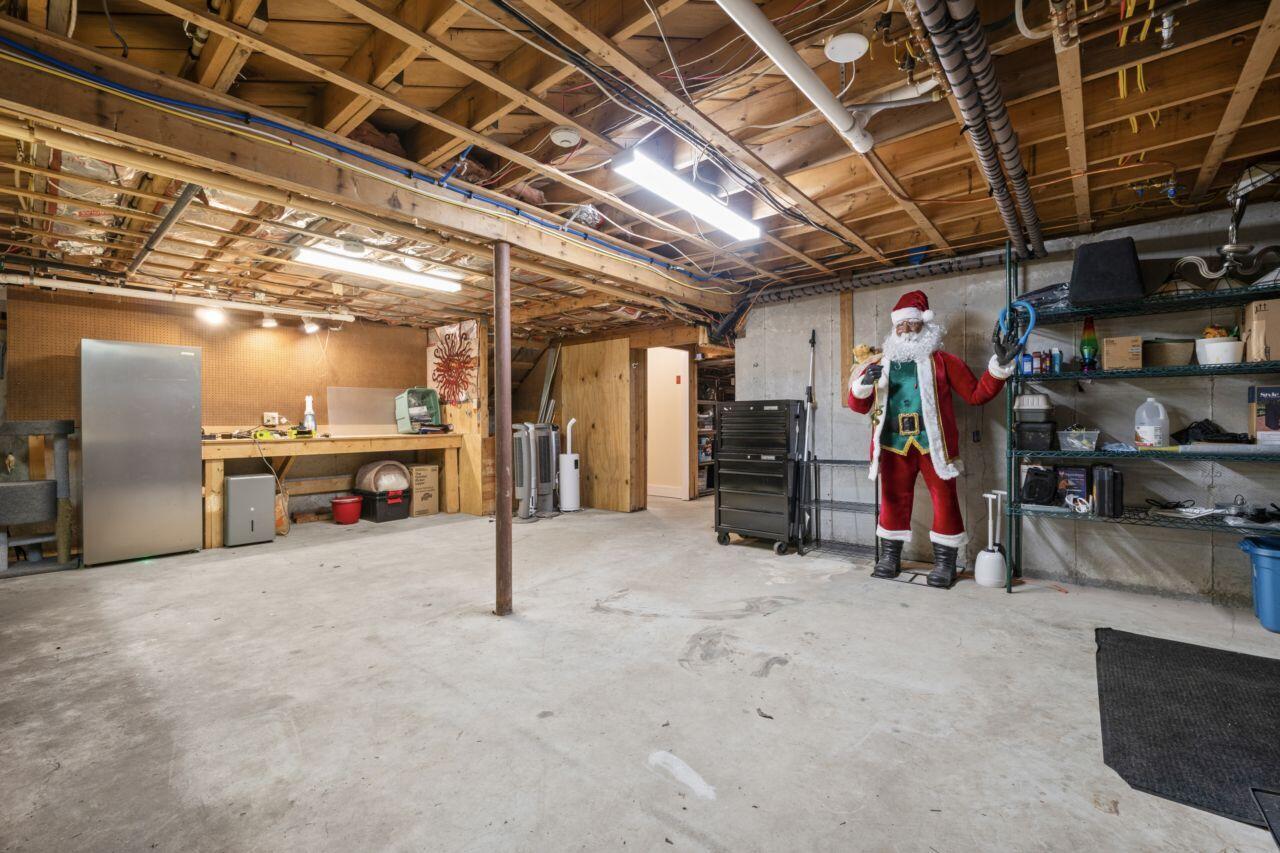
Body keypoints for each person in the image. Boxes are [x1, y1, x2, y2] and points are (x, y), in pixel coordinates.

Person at [847, 290, 1023, 588]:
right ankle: (890, 557)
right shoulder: (878, 364)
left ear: (924, 325)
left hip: (934, 446)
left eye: (911, 324)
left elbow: (976, 394)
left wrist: (999, 368)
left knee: (945, 501)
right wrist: (864, 383)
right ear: (894, 328)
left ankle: (945, 563)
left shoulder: (944, 361)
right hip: (893, 445)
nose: (905, 330)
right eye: (900, 325)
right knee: (892, 501)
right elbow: (857, 405)